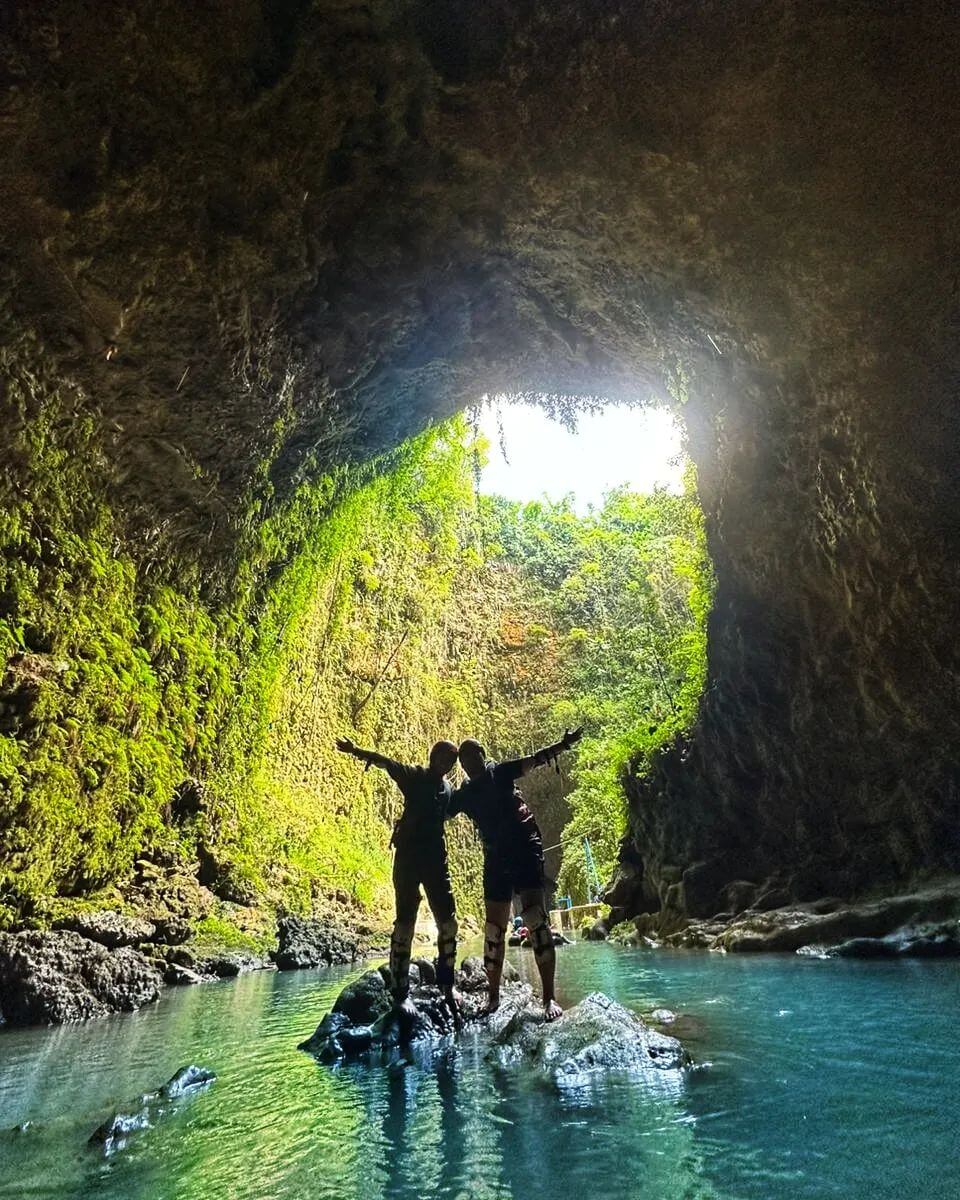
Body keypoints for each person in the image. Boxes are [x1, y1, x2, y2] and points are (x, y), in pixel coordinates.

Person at [450, 728, 583, 1021]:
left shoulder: (500, 773)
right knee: (493, 931)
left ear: (483, 756)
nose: (470, 762)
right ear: (462, 766)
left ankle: (548, 998)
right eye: (464, 759)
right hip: (496, 856)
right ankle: (493, 996)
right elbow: (441, 808)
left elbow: (534, 760)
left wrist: (562, 744)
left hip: (524, 847)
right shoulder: (466, 794)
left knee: (535, 918)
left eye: (473, 756)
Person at [335, 736, 460, 1015]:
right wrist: (356, 751)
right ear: (433, 757)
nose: (448, 765)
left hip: (436, 861)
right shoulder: (414, 775)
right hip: (408, 858)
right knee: (405, 923)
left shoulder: (449, 789)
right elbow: (385, 762)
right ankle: (400, 992)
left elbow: (453, 809)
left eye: (452, 761)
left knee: (449, 923)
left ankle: (447, 985)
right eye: (444, 759)